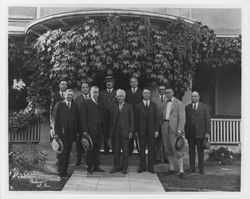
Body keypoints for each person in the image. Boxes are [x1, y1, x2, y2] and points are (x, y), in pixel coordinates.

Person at [161, 88, 186, 178]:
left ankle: (181, 171)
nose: (167, 94)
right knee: (168, 148)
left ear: (173, 93)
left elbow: (182, 118)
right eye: (166, 93)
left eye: (169, 92)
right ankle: (171, 169)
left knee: (177, 148)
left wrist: (180, 129)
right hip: (165, 126)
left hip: (175, 128)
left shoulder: (179, 103)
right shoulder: (164, 103)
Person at [185, 91, 211, 174]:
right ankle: (192, 168)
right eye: (192, 96)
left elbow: (207, 121)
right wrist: (186, 133)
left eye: (195, 96)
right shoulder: (187, 107)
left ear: (198, 97)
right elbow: (186, 121)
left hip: (201, 133)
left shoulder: (204, 107)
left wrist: (207, 133)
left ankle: (201, 168)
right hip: (191, 133)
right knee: (191, 152)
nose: (193, 98)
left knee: (200, 152)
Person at [53, 89, 77, 181]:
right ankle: (59, 173)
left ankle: (64, 172)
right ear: (65, 95)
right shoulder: (59, 104)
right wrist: (55, 133)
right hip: (61, 134)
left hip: (70, 134)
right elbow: (54, 120)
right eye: (68, 94)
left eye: (71, 95)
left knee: (67, 153)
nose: (69, 96)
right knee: (61, 154)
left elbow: (75, 121)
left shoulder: (74, 106)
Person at [109, 89, 134, 174]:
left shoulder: (129, 106)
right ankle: (116, 167)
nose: (119, 98)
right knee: (116, 151)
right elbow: (111, 119)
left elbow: (132, 120)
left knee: (125, 151)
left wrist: (131, 131)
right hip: (116, 132)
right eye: (118, 96)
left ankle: (124, 168)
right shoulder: (113, 106)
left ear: (124, 97)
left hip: (125, 132)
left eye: (121, 96)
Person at [135, 88, 160, 174]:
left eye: (148, 93)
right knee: (141, 150)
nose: (146, 94)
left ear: (150, 95)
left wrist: (157, 130)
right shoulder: (138, 106)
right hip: (141, 132)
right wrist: (136, 131)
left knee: (151, 150)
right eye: (145, 93)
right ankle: (142, 167)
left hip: (151, 131)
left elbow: (157, 119)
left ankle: (150, 168)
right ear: (142, 94)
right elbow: (136, 120)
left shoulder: (153, 105)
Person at [85, 86, 105, 175]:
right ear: (90, 93)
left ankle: (96, 166)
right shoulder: (86, 103)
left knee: (97, 149)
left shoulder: (99, 104)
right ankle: (89, 167)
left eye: (97, 92)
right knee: (89, 150)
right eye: (94, 92)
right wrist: (85, 131)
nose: (95, 94)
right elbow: (83, 118)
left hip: (98, 131)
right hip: (90, 131)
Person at [99, 75, 117, 154]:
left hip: (114, 116)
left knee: (114, 132)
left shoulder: (117, 92)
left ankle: (114, 149)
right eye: (107, 82)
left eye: (110, 82)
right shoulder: (101, 93)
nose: (109, 83)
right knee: (106, 133)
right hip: (104, 116)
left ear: (113, 83)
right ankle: (106, 149)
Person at [151, 84, 169, 164]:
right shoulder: (154, 99)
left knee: (166, 141)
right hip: (156, 122)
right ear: (158, 90)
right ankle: (157, 158)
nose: (161, 90)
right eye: (160, 89)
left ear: (165, 90)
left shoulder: (169, 99)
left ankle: (166, 158)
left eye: (163, 89)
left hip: (165, 122)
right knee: (157, 141)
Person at [125, 77, 143, 155]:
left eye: (135, 82)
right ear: (130, 83)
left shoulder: (142, 92)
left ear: (137, 83)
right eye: (132, 82)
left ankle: (140, 150)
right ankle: (130, 151)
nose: (133, 83)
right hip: (129, 116)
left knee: (139, 134)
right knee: (130, 133)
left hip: (139, 116)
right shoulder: (127, 92)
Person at [74, 82, 90, 166]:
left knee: (89, 143)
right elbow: (75, 114)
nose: (85, 89)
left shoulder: (92, 98)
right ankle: (78, 160)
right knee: (79, 144)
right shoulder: (77, 99)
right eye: (83, 87)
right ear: (81, 89)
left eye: (86, 87)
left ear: (89, 88)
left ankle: (89, 161)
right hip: (80, 126)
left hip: (90, 126)